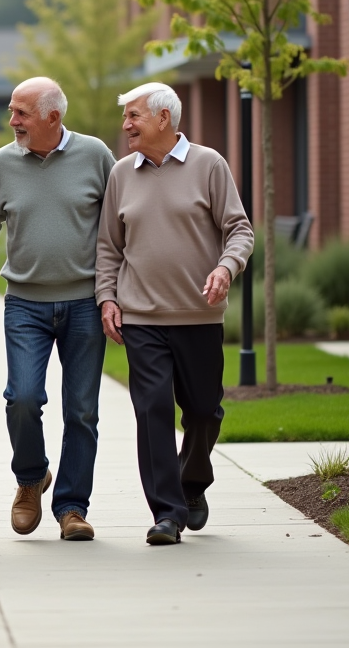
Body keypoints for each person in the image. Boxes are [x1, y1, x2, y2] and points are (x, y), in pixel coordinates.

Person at [96, 82, 254, 546]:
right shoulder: (122, 174)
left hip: (199, 318)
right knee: (153, 411)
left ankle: (192, 481)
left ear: (163, 119)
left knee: (204, 413)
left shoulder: (209, 165)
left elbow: (239, 230)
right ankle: (167, 513)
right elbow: (108, 247)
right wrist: (108, 297)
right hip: (142, 317)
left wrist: (226, 268)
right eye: (126, 117)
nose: (125, 125)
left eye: (133, 116)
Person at [0, 77, 115, 541]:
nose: (11, 121)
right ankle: (31, 476)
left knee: (81, 411)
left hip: (84, 304)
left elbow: (121, 223)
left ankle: (72, 507)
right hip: (24, 305)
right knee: (22, 398)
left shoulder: (96, 156)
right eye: (12, 111)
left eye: (21, 113)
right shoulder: (2, 163)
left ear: (53, 118)